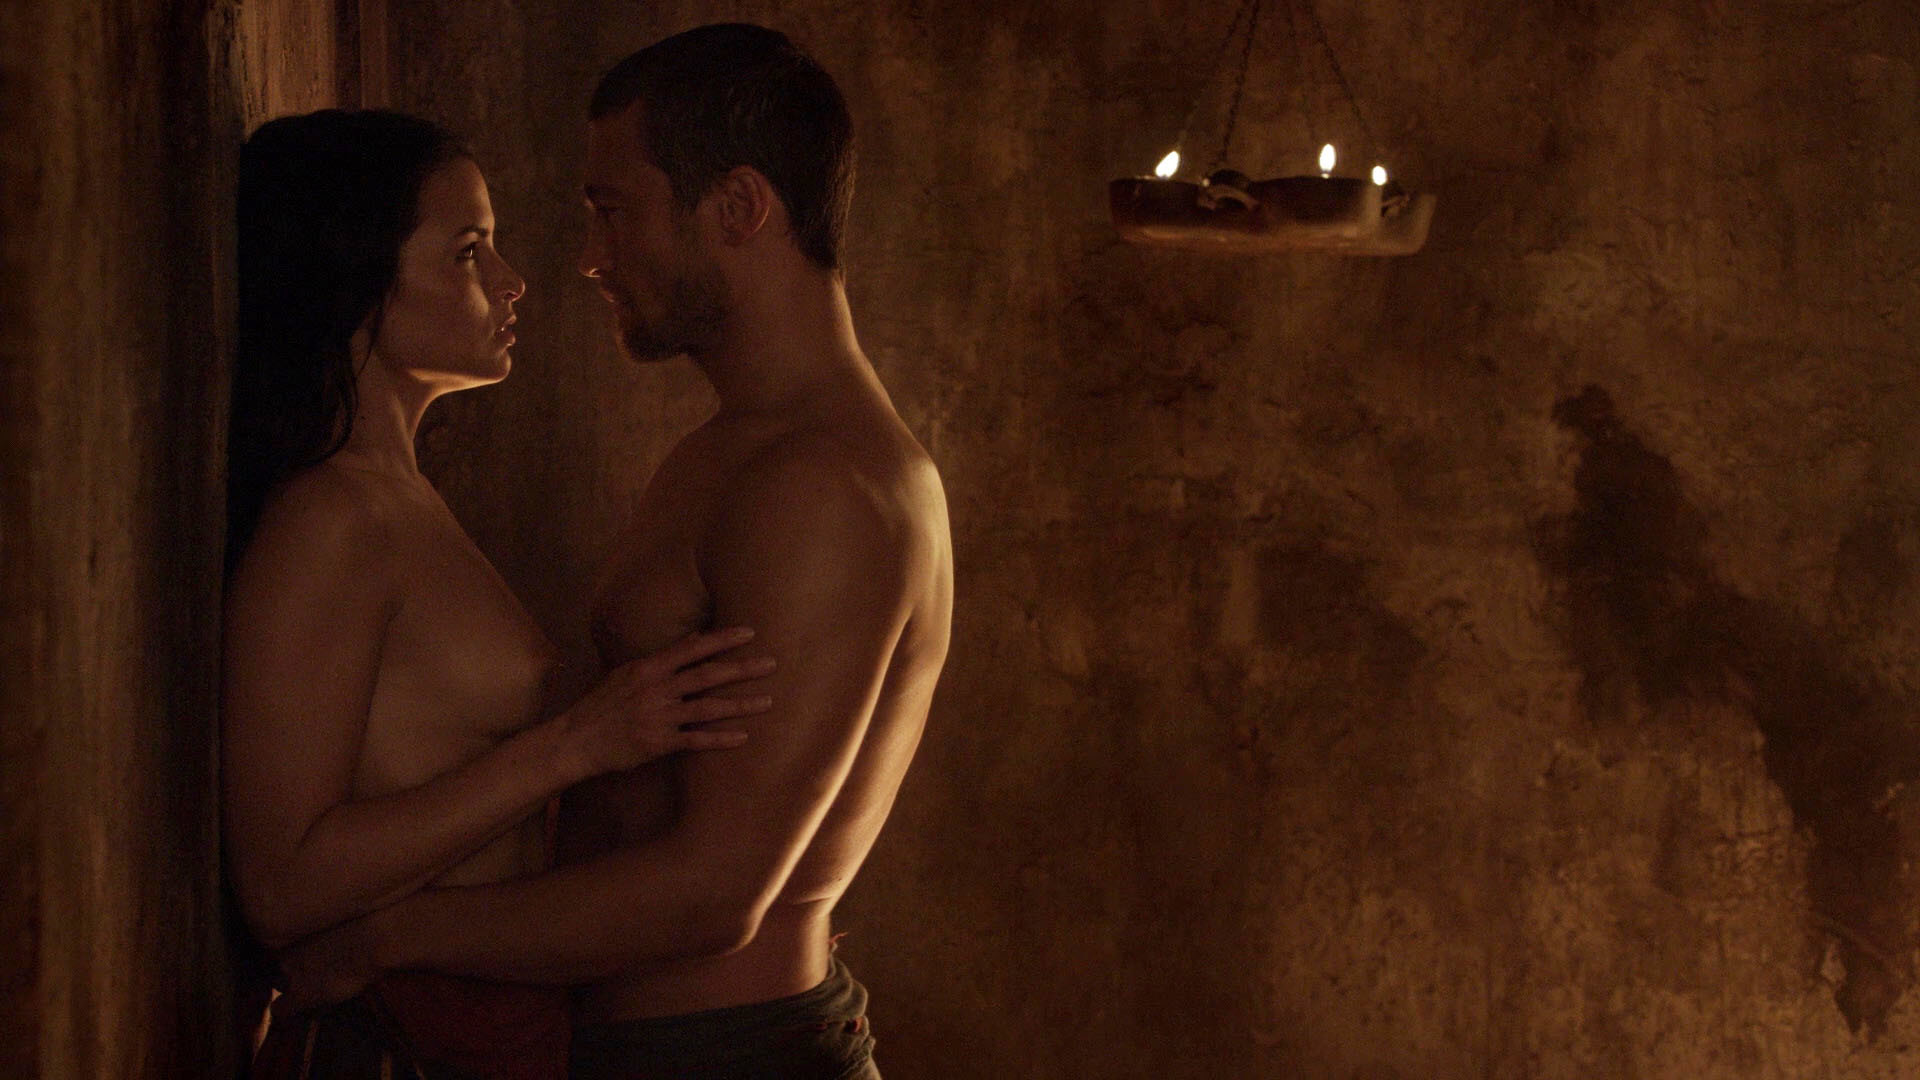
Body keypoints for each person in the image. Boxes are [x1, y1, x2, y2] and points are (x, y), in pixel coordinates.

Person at [280, 24, 954, 1080]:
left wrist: (383, 938)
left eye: (615, 210)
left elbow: (714, 895)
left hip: (727, 1057)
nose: (592, 256)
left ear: (738, 208)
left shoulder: (824, 487)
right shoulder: (730, 453)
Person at [225, 108, 778, 1079]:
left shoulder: (400, 498)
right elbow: (281, 886)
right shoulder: (330, 518)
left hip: (487, 1031)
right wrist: (577, 744)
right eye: (469, 251)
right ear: (358, 274)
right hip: (404, 1042)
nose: (512, 280)